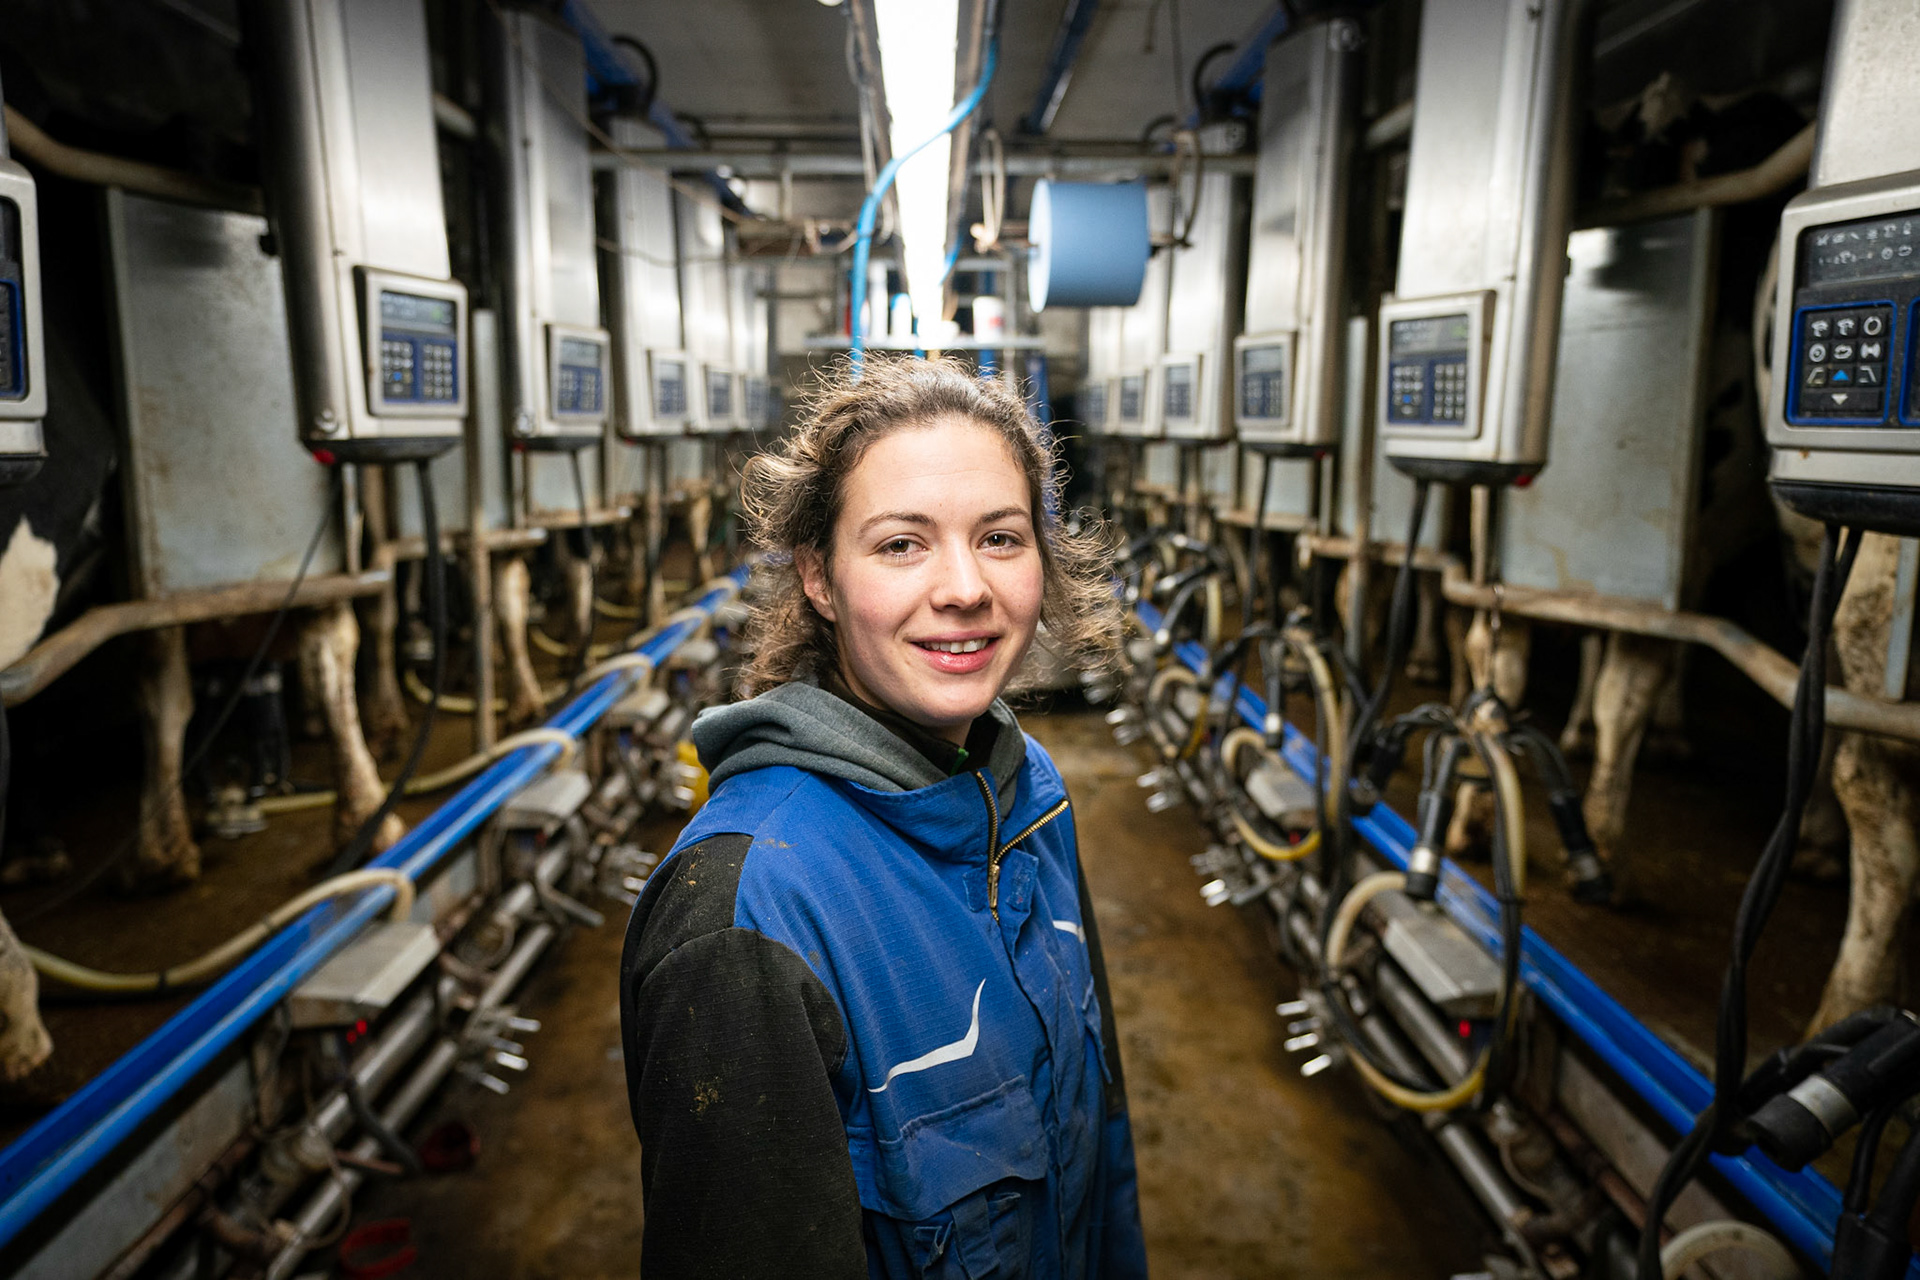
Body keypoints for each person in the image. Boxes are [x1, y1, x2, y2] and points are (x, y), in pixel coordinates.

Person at [620, 356, 1148, 1278]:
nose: (964, 589)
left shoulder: (1029, 801)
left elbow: (1100, 1169)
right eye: (902, 544)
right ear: (819, 578)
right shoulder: (751, 916)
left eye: (1001, 538)